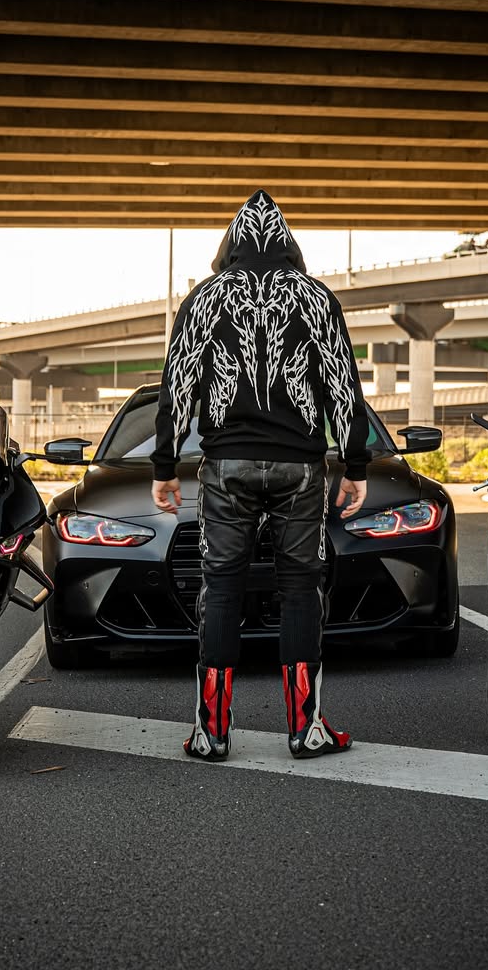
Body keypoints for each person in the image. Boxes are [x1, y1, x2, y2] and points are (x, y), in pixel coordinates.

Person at [151, 190, 370, 762]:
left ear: (231, 243)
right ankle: (306, 729)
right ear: (287, 242)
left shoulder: (203, 298)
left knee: (221, 587)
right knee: (301, 589)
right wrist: (355, 464)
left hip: (227, 465)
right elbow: (343, 386)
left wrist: (164, 466)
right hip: (301, 466)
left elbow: (178, 385)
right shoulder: (317, 297)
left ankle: (211, 732)